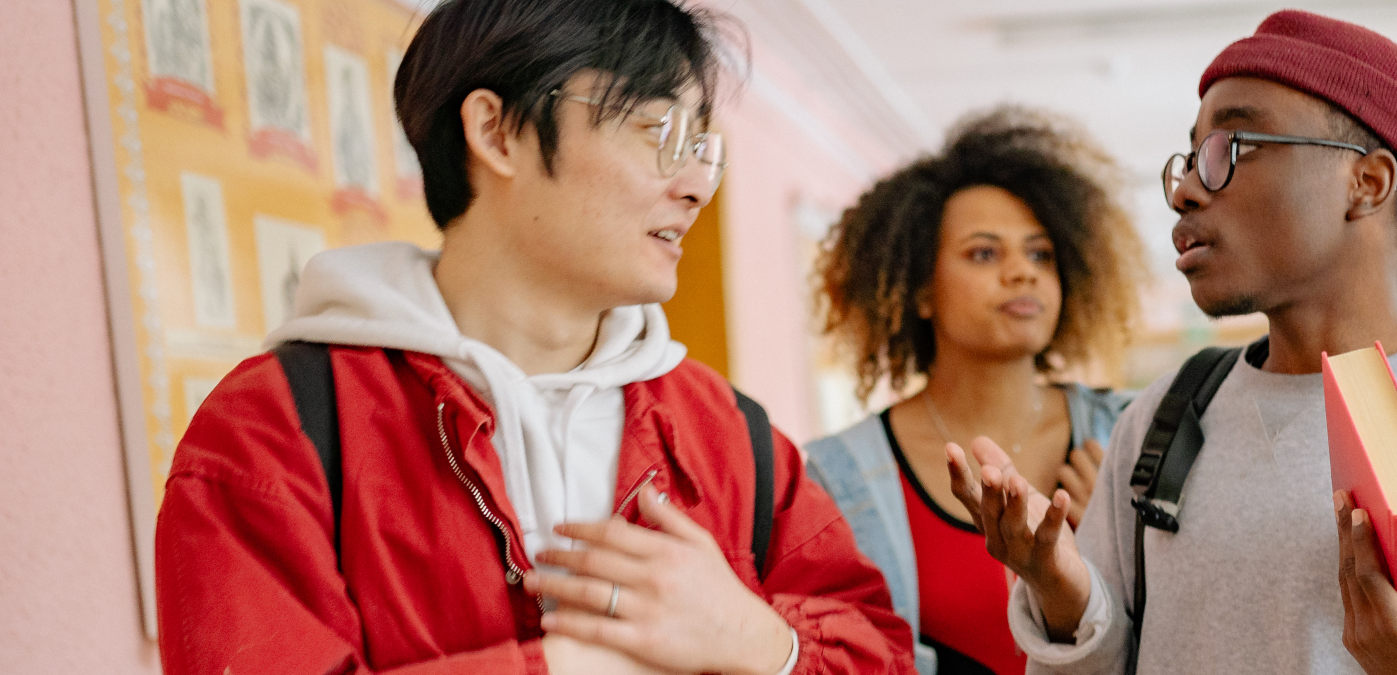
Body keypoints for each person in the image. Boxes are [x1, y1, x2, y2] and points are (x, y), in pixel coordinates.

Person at [153, 1, 914, 673]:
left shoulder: (729, 435)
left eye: (698, 146)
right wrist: (578, 664)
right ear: (496, 130)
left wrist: (760, 643)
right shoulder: (275, 430)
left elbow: (879, 651)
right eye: (657, 130)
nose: (694, 184)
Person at [943, 10, 1397, 675]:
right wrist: (1065, 592)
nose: (1188, 188)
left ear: (1366, 182)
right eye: (1189, 159)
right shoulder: (1160, 422)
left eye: (1230, 147)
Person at [806, 106, 1145, 675]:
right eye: (984, 253)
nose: (1023, 272)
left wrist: (1125, 543)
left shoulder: (1134, 432)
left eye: (1040, 254)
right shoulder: (837, 477)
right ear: (919, 290)